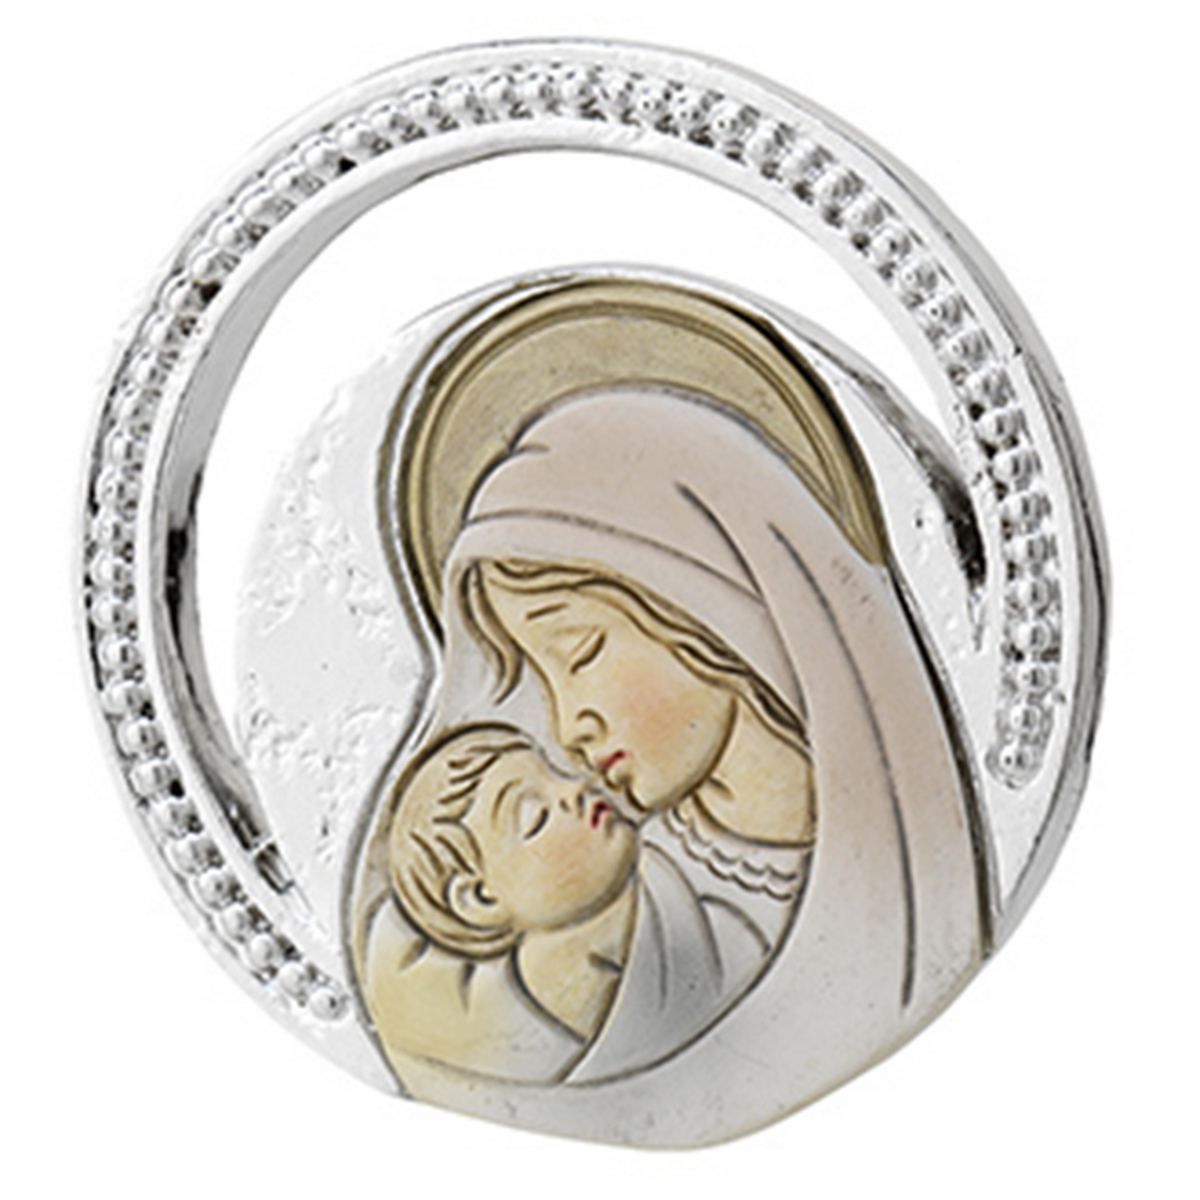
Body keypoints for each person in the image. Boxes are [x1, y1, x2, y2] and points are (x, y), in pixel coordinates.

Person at [363, 721, 779, 1083]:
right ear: (481, 898)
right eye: (537, 817)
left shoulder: (722, 936)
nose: (577, 788)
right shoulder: (504, 1052)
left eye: (557, 773)